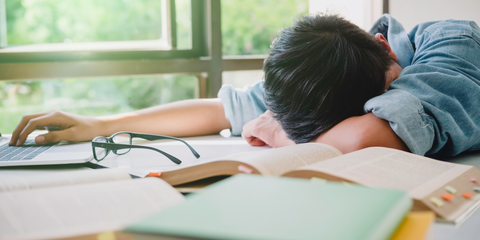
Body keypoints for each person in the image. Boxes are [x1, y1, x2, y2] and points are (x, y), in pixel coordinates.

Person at [9, 13, 480, 157]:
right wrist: (102, 123)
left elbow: (371, 136)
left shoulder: (454, 47)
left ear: (387, 50)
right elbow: (221, 111)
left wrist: (278, 133)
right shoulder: (330, 72)